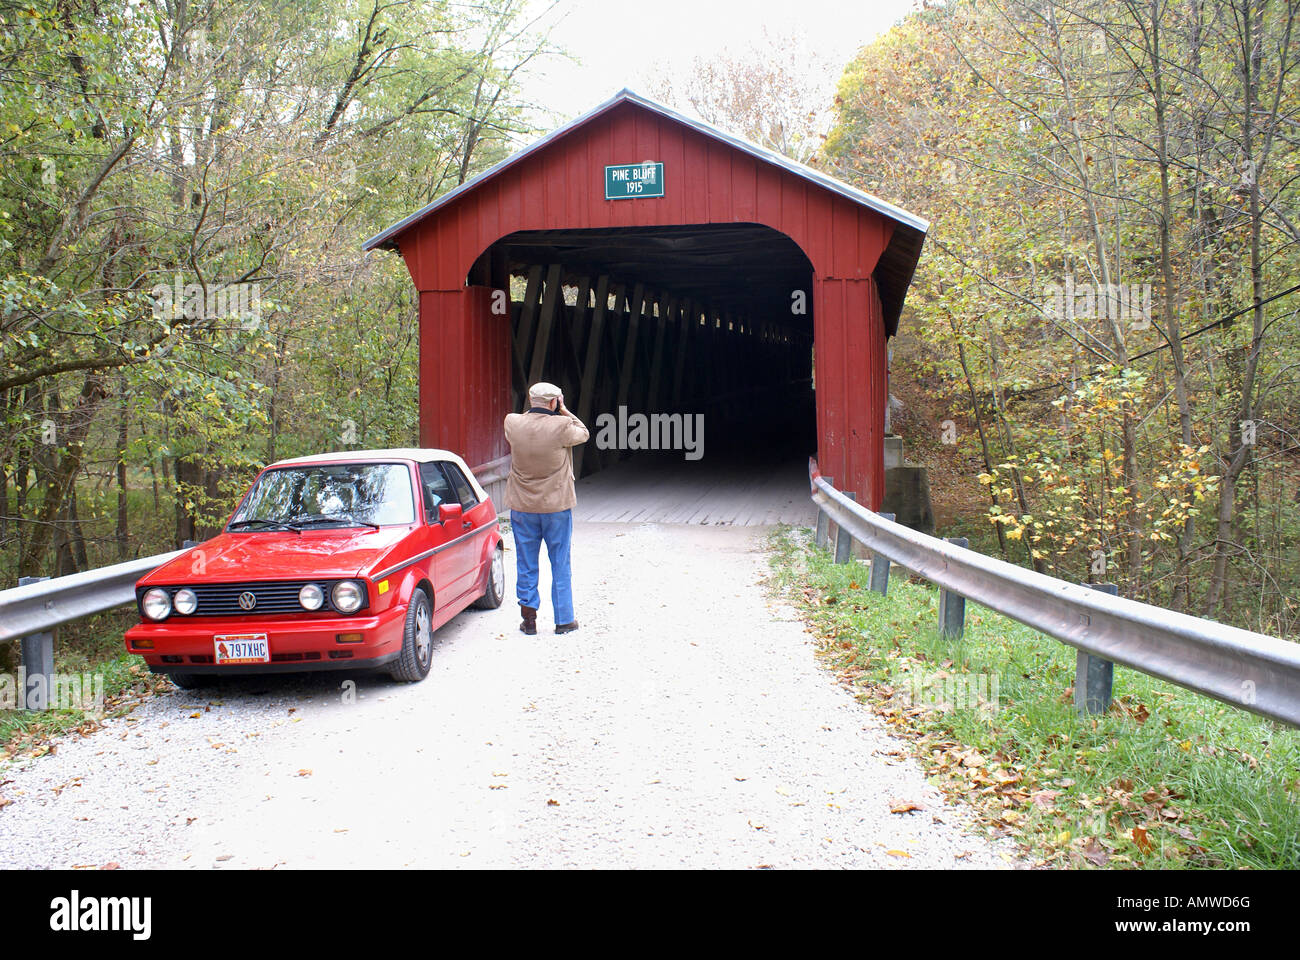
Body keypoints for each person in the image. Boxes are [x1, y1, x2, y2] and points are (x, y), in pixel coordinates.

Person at [503, 382, 589, 635]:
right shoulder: (562, 427)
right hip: (556, 508)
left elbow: (522, 423)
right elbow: (583, 432)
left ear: (530, 399)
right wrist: (564, 410)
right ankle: (564, 620)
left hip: (522, 506)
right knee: (560, 562)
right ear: (555, 402)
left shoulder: (512, 423)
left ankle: (529, 619)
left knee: (526, 562)